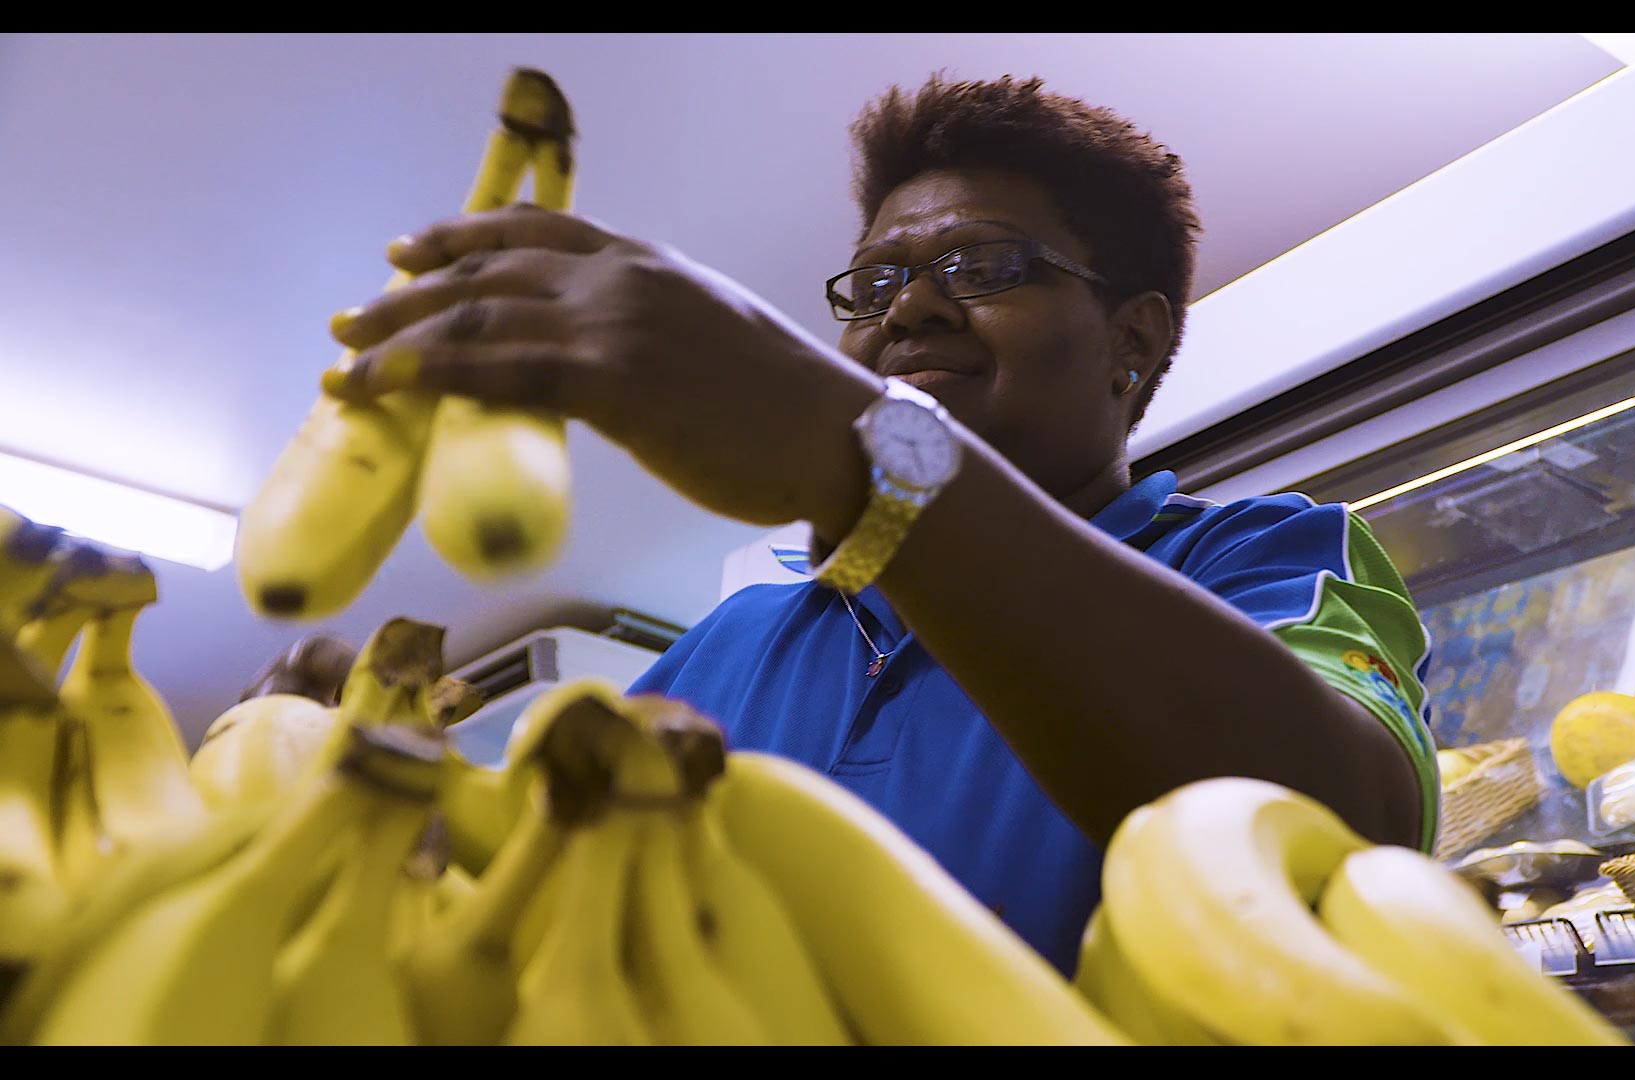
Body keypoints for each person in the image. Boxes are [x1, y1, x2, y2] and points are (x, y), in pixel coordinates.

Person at [312, 73, 1437, 973]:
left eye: (982, 265)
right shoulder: (728, 645)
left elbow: (1346, 829)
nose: (909, 307)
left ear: (1132, 343)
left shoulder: (1264, 559)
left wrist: (863, 457)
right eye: (875, 281)